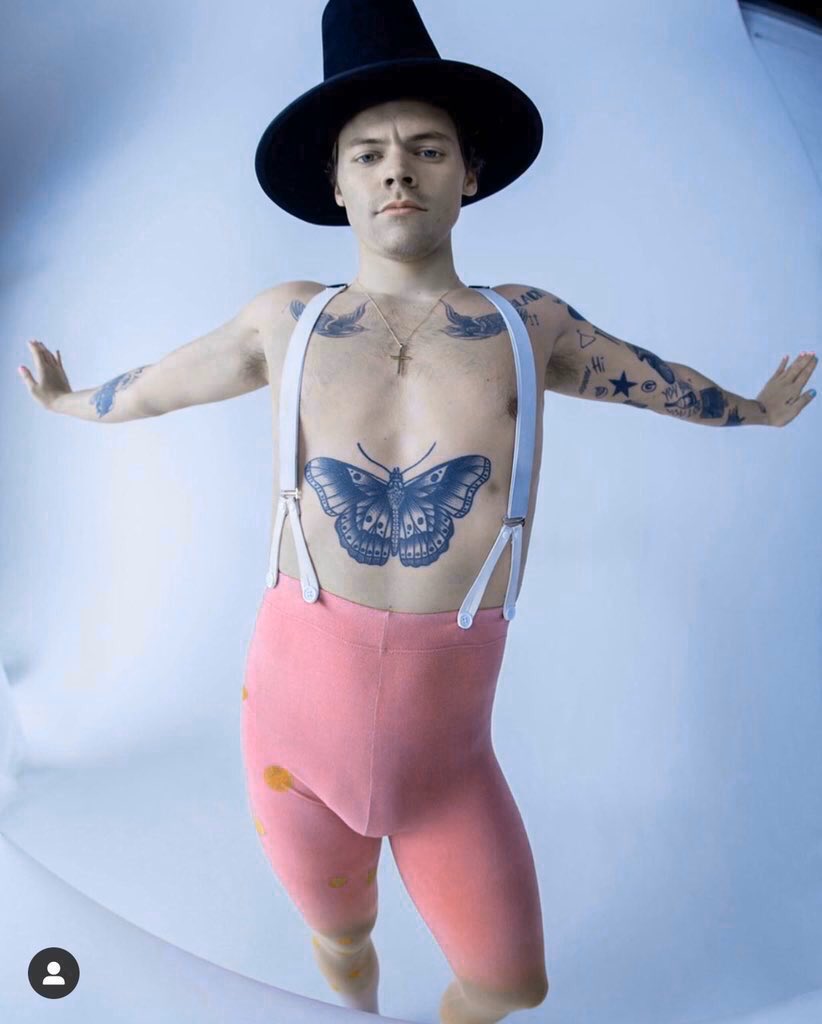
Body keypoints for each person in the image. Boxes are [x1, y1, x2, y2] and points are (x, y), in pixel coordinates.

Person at [18, 1, 817, 1022]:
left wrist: (750, 408)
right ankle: (355, 1010)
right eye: (370, 154)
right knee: (341, 938)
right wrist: (70, 401)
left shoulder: (526, 324)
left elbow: (648, 379)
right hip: (291, 742)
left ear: (469, 173)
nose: (397, 171)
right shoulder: (289, 319)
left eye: (427, 149)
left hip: (448, 760)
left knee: (510, 981)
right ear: (337, 184)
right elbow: (162, 383)